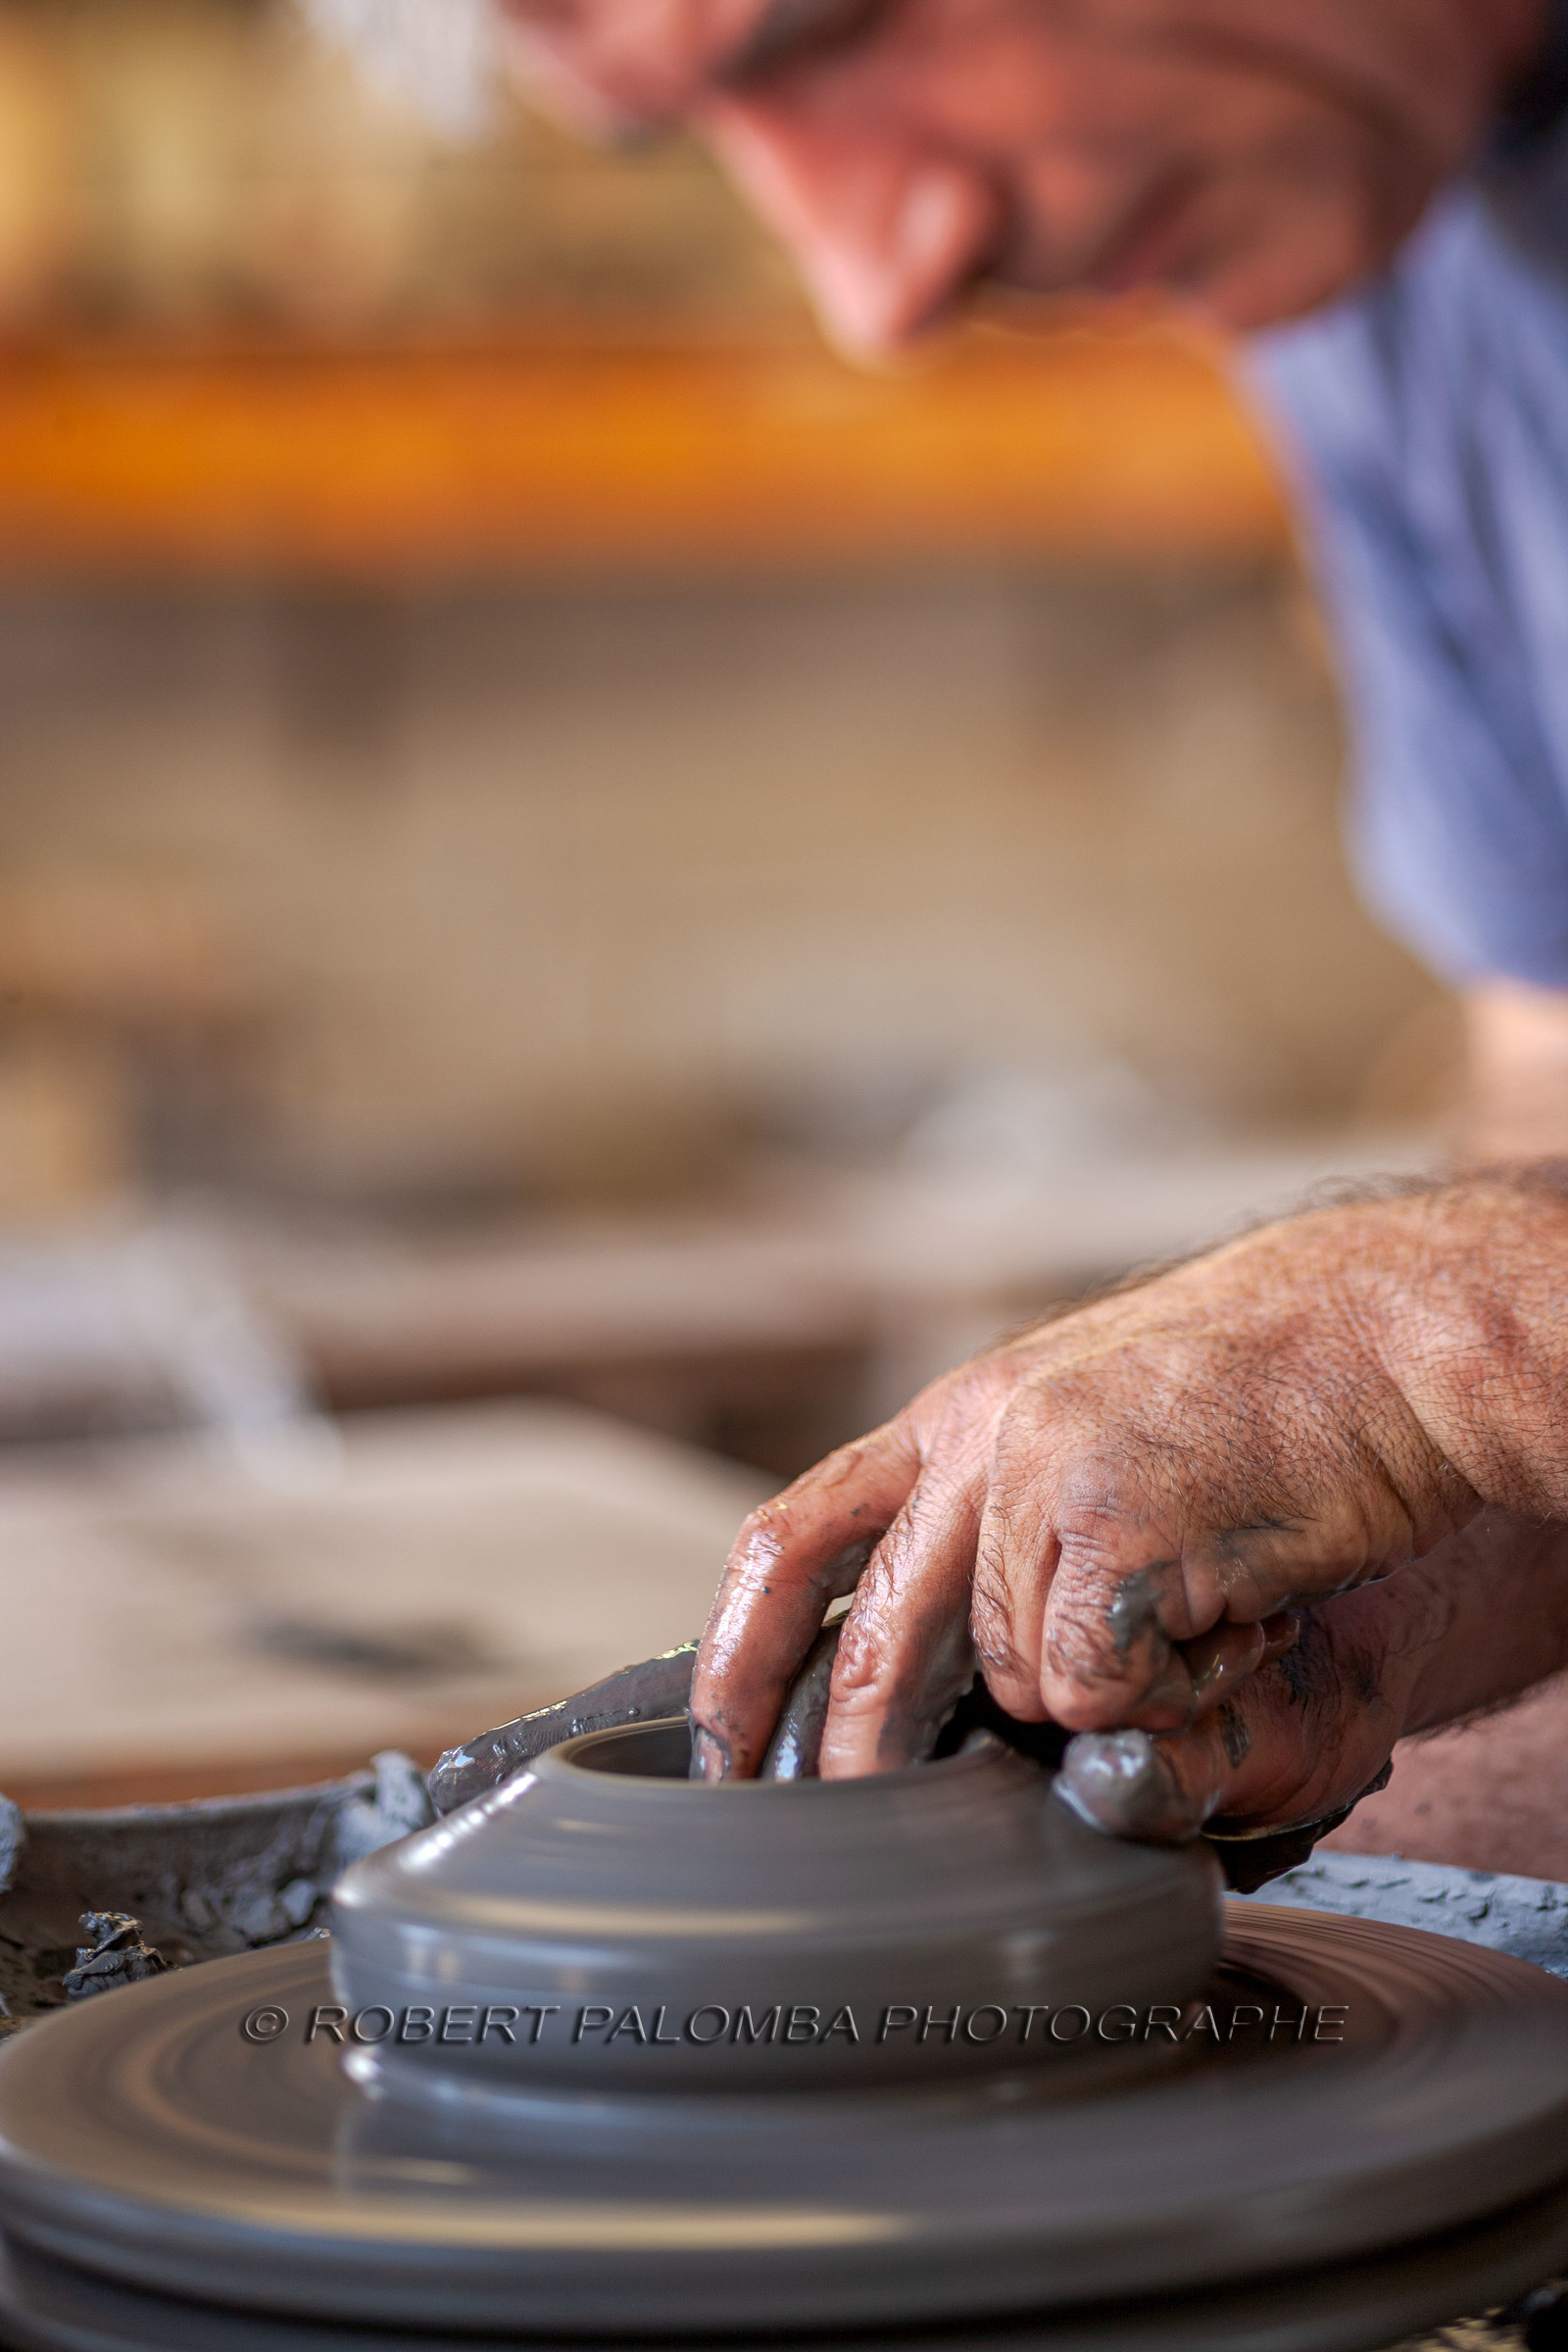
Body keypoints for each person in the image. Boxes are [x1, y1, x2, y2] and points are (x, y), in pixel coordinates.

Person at [489, 0, 1568, 1848]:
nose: (879, 285)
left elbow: (1500, 1326)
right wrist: (1391, 1609)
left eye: (826, 32)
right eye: (681, 132)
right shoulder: (1377, 249)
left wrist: (1423, 1342)